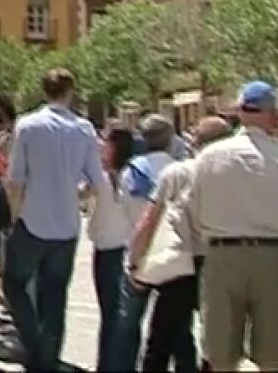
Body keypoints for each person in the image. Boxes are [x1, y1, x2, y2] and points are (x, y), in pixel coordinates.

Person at [188, 80, 278, 372]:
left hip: (222, 255)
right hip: (273, 257)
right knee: (273, 356)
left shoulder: (209, 157)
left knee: (220, 354)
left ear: (240, 113)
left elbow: (193, 208)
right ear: (274, 116)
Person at [3, 69, 104, 373]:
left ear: (44, 90)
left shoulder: (28, 125)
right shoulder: (84, 129)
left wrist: (13, 217)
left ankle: (35, 344)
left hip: (32, 219)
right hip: (67, 223)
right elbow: (96, 181)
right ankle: (47, 356)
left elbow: (16, 179)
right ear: (70, 91)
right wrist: (74, 195)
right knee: (55, 295)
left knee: (14, 284)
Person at [127, 115, 232, 373]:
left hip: (181, 261)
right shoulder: (236, 175)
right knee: (217, 340)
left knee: (162, 337)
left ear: (195, 141)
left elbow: (150, 220)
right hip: (223, 259)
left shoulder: (177, 172)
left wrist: (135, 261)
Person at [106, 113, 180, 372]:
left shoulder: (131, 171)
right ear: (170, 139)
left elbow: (125, 208)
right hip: (173, 255)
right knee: (178, 327)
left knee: (127, 325)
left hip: (138, 252)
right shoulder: (180, 169)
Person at [87, 122, 134, 373]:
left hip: (109, 250)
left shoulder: (105, 178)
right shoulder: (131, 175)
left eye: (104, 142)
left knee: (112, 314)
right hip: (121, 248)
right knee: (120, 314)